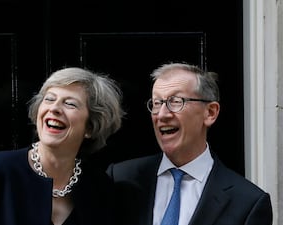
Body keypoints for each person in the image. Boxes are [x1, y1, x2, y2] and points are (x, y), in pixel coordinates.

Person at [0, 67, 125, 225]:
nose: (54, 108)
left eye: (70, 103)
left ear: (90, 127)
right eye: (49, 99)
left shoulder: (100, 187)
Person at [106, 62, 273, 225]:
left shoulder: (247, 202)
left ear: (210, 112)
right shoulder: (121, 179)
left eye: (176, 101)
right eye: (157, 103)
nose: (162, 115)